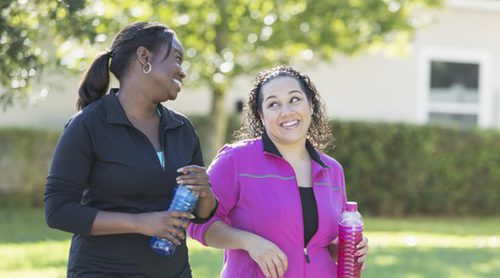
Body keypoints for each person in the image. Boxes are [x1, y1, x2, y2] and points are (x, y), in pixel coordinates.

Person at [44, 22, 217, 277]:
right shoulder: (89, 125)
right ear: (144, 57)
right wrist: (139, 223)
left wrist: (205, 192)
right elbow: (58, 211)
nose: (182, 72)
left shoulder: (182, 128)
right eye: (177, 59)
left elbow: (200, 215)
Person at [188, 66, 369, 277]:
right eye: (273, 104)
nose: (286, 111)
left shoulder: (332, 170)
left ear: (311, 105)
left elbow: (316, 244)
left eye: (294, 99)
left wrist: (343, 250)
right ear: (261, 115)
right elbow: (198, 223)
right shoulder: (235, 160)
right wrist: (250, 243)